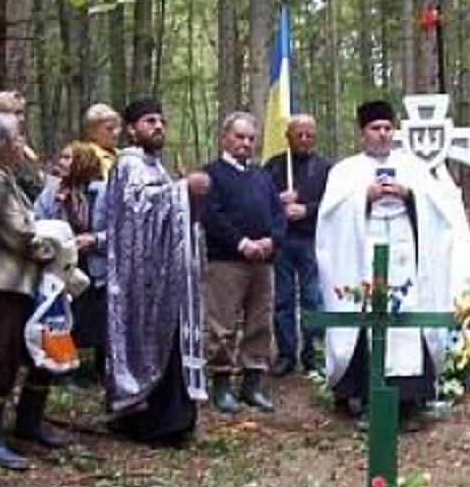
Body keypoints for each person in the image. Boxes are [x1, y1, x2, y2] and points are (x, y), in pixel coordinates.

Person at [317, 99, 470, 421]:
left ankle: (409, 399)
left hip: (406, 259)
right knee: (367, 319)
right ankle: (363, 395)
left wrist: (409, 195)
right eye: (375, 129)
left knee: (406, 322)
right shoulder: (345, 170)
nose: (382, 134)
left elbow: (439, 215)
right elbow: (329, 220)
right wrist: (364, 197)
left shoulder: (413, 167)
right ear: (362, 133)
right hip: (363, 259)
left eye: (387, 128)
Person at [106, 98, 210, 447]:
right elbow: (137, 210)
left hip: (167, 275)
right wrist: (184, 190)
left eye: (161, 120)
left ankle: (177, 421)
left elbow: (169, 210)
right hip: (140, 279)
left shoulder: (157, 167)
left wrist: (187, 196)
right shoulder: (127, 163)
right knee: (149, 342)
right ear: (131, 128)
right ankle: (150, 422)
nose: (158, 126)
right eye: (149, 121)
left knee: (173, 342)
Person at [0, 113, 64, 469]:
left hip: (24, 283)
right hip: (1, 283)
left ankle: (29, 423)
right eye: (18, 136)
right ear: (3, 145)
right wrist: (58, 250)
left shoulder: (6, 178)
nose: (23, 142)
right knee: (1, 358)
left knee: (44, 353)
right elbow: (18, 233)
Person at [202, 112, 285, 413]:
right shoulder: (212, 174)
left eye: (251, 138)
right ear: (225, 138)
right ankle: (222, 385)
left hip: (263, 263)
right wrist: (242, 243)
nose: (246, 143)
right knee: (222, 324)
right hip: (227, 262)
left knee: (260, 323)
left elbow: (278, 215)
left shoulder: (262, 176)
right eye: (240, 137)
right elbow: (211, 216)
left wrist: (271, 241)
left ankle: (252, 385)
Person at [263, 113, 333, 377]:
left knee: (313, 299)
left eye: (309, 134)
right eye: (298, 134)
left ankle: (313, 354)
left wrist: (306, 209)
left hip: (313, 239)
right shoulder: (273, 166)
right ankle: (285, 354)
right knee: (282, 299)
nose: (304, 139)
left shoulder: (326, 168)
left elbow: (332, 203)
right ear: (288, 136)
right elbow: (259, 201)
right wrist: (278, 200)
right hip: (281, 241)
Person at [34, 141, 109, 375]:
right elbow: (37, 220)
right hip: (63, 265)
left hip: (97, 266)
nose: (62, 163)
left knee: (101, 317)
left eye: (68, 158)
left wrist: (95, 239)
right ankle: (65, 367)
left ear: (83, 162)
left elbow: (120, 230)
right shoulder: (51, 192)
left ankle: (103, 367)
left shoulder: (104, 192)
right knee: (63, 316)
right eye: (62, 158)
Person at [83, 102, 122, 178]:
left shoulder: (123, 154)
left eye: (117, 127)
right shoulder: (87, 157)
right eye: (109, 129)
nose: (116, 133)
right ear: (93, 132)